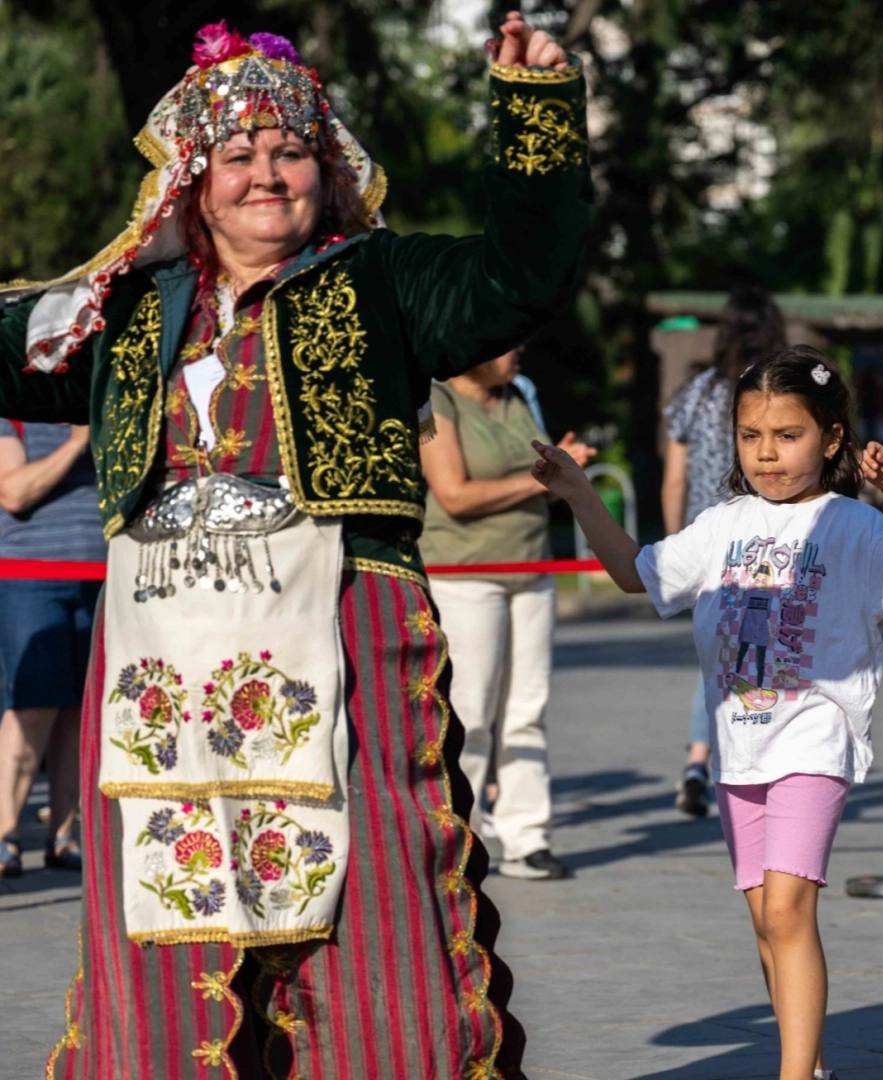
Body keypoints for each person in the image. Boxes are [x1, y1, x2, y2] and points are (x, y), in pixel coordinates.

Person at [0, 15, 589, 1076]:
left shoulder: (384, 282)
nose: (268, 173)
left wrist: (532, 121)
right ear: (194, 179)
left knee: (376, 925)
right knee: (168, 930)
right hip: (160, 675)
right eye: (240, 155)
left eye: (291, 151)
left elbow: (520, 279)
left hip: (347, 644)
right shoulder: (121, 311)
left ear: (326, 166)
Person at [534, 346, 883, 1080]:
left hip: (815, 740)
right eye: (750, 434)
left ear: (830, 440)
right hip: (738, 748)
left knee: (790, 912)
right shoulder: (723, 522)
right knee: (766, 921)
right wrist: (579, 496)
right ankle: (812, 1062)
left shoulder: (854, 527)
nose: (766, 452)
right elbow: (637, 575)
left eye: (787, 435)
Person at [421, 345, 596, 881]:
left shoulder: (519, 395)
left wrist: (558, 467)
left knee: (528, 707)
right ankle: (458, 836)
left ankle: (527, 837)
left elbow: (538, 476)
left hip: (531, 570)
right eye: (508, 341)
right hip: (465, 574)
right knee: (471, 710)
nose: (520, 349)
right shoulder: (436, 398)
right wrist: (541, 481)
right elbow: (453, 494)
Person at [662, 286, 788, 817]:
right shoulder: (774, 398)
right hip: (765, 542)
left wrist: (675, 549)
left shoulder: (698, 393)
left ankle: (698, 759)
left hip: (704, 542)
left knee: (720, 656)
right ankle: (727, 765)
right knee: (752, 660)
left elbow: (674, 478)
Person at [0, 421, 103, 877]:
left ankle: (64, 834)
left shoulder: (101, 406)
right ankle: (5, 833)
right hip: (29, 573)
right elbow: (14, 493)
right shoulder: (14, 412)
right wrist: (79, 441)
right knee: (34, 705)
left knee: (80, 712)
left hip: (102, 575)